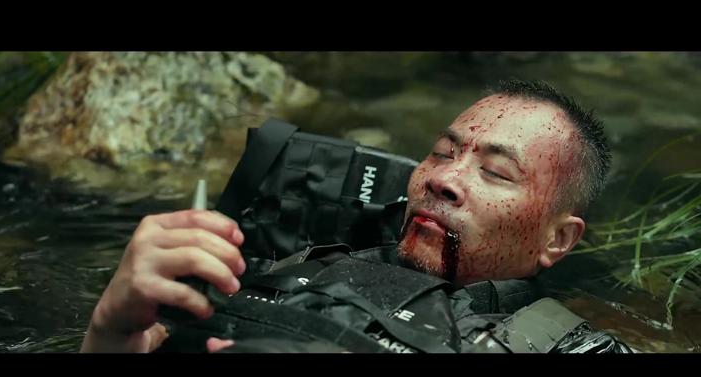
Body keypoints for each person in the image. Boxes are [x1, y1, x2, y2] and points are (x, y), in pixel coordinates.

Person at [80, 79, 631, 353]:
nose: (443, 179)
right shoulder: (279, 267)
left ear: (557, 240)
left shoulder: (576, 349)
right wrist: (111, 325)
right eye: (442, 153)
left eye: (496, 172)